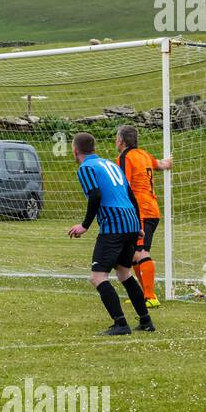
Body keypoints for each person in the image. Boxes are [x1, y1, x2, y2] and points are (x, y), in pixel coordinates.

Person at [67, 132, 154, 335]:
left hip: (114, 226)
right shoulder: (111, 164)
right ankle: (146, 321)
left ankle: (121, 324)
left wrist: (85, 225)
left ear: (75, 150)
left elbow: (95, 195)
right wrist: (138, 225)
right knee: (124, 274)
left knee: (98, 277)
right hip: (130, 222)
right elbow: (131, 194)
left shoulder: (86, 168)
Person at [114, 125, 172, 308]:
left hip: (140, 211)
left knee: (140, 252)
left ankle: (150, 296)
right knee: (133, 254)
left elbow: (125, 184)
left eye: (117, 138)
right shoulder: (144, 155)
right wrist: (169, 161)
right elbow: (162, 165)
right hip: (151, 209)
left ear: (121, 141)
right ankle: (141, 295)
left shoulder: (125, 157)